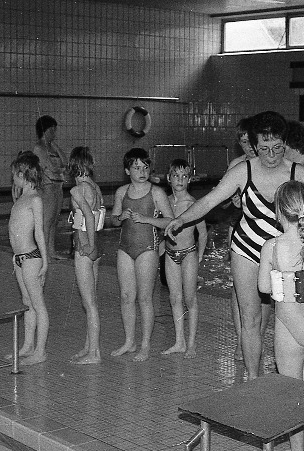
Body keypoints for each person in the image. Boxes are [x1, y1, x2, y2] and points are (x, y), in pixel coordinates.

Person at [165, 111, 304, 379]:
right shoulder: (243, 171)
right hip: (247, 250)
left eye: (278, 148)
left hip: (283, 254)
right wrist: (180, 220)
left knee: (287, 318)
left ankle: (287, 370)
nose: (271, 155)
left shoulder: (297, 172)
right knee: (250, 320)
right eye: (264, 148)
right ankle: (253, 378)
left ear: (285, 144)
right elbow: (209, 201)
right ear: (254, 147)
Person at [257, 180, 304, 451]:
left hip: (293, 324)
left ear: (278, 210)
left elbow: (264, 287)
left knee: (291, 390)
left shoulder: (273, 246)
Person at [111, 148, 174, 362]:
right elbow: (113, 220)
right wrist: (121, 217)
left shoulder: (156, 193)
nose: (142, 171)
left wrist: (148, 220)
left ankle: (145, 344)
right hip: (125, 248)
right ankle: (129, 341)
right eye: (136, 167)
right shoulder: (122, 192)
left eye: (145, 167)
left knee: (145, 298)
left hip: (147, 248)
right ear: (127, 170)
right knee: (126, 297)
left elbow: (170, 220)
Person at [225, 117, 265, 362]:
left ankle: (255, 339)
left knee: (265, 292)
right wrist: (235, 200)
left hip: (265, 232)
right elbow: (226, 196)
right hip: (240, 228)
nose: (248, 147)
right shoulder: (237, 165)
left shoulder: (270, 165)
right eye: (243, 142)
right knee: (239, 290)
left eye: (251, 141)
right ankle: (243, 340)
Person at [162, 159, 207, 358]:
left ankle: (191, 344)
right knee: (174, 298)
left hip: (189, 253)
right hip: (171, 254)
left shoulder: (193, 204)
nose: (180, 180)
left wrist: (200, 256)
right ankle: (179, 341)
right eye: (176, 176)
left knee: (190, 298)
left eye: (184, 176)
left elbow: (203, 234)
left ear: (189, 180)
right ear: (168, 178)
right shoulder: (164, 201)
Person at [8, 152, 49, 366]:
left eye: (15, 174)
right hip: (19, 258)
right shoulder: (22, 198)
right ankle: (27, 346)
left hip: (31, 257)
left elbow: (40, 232)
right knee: (27, 304)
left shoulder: (35, 199)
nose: (12, 178)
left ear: (23, 174)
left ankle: (40, 351)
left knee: (38, 304)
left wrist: (45, 261)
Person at [67, 146, 104, 365]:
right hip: (96, 249)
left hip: (86, 250)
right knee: (91, 302)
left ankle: (95, 353)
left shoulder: (77, 190)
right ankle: (89, 347)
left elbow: (89, 219)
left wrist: (88, 245)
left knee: (89, 304)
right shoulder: (95, 187)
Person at [32, 115, 68, 260]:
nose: (54, 132)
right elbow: (51, 167)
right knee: (47, 221)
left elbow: (65, 162)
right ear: (44, 130)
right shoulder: (39, 147)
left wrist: (56, 147)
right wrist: (61, 169)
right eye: (52, 129)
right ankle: (44, 253)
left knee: (54, 221)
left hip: (57, 187)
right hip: (47, 188)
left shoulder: (52, 147)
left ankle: (51, 251)